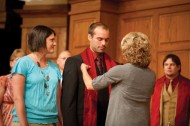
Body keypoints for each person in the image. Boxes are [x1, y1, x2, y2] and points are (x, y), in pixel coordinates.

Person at [81, 32, 156, 126]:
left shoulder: (121, 70)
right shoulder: (152, 75)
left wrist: (83, 69)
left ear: (127, 50)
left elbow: (90, 85)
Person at [61, 22, 116, 126]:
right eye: (100, 39)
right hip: (83, 121)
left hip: (108, 120)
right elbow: (68, 102)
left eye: (106, 40)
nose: (104, 43)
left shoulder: (114, 64)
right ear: (89, 37)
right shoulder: (74, 62)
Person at [11, 25, 63, 125]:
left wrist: (62, 121)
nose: (55, 43)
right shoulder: (23, 63)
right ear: (41, 40)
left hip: (52, 122)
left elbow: (58, 100)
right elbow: (17, 98)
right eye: (52, 40)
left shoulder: (55, 67)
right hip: (28, 122)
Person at [150, 54, 190, 126]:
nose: (169, 67)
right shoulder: (157, 84)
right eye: (166, 64)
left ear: (178, 67)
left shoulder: (187, 85)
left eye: (172, 64)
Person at [0, 49, 25, 126]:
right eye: (17, 60)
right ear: (11, 63)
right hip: (6, 117)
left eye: (23, 61)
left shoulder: (27, 81)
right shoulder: (4, 79)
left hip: (22, 118)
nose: (20, 63)